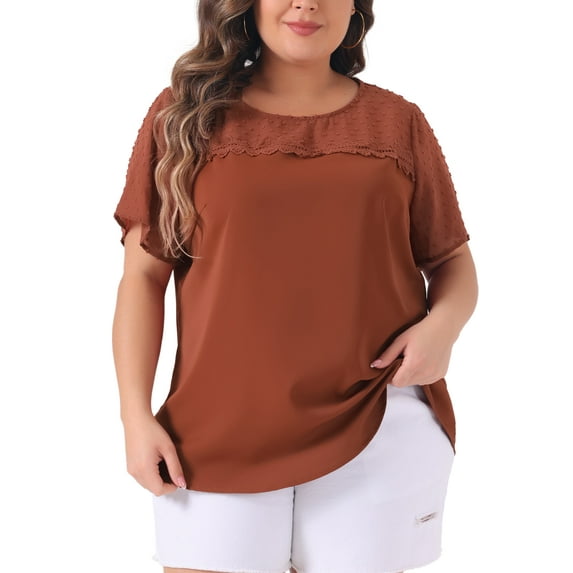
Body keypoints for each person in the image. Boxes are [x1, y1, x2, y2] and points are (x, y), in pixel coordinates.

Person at [112, 0, 478, 572]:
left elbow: (452, 260)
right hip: (213, 433)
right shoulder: (183, 115)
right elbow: (142, 276)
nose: (306, 2)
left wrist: (443, 328)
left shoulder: (397, 122)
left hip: (378, 419)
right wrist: (135, 417)